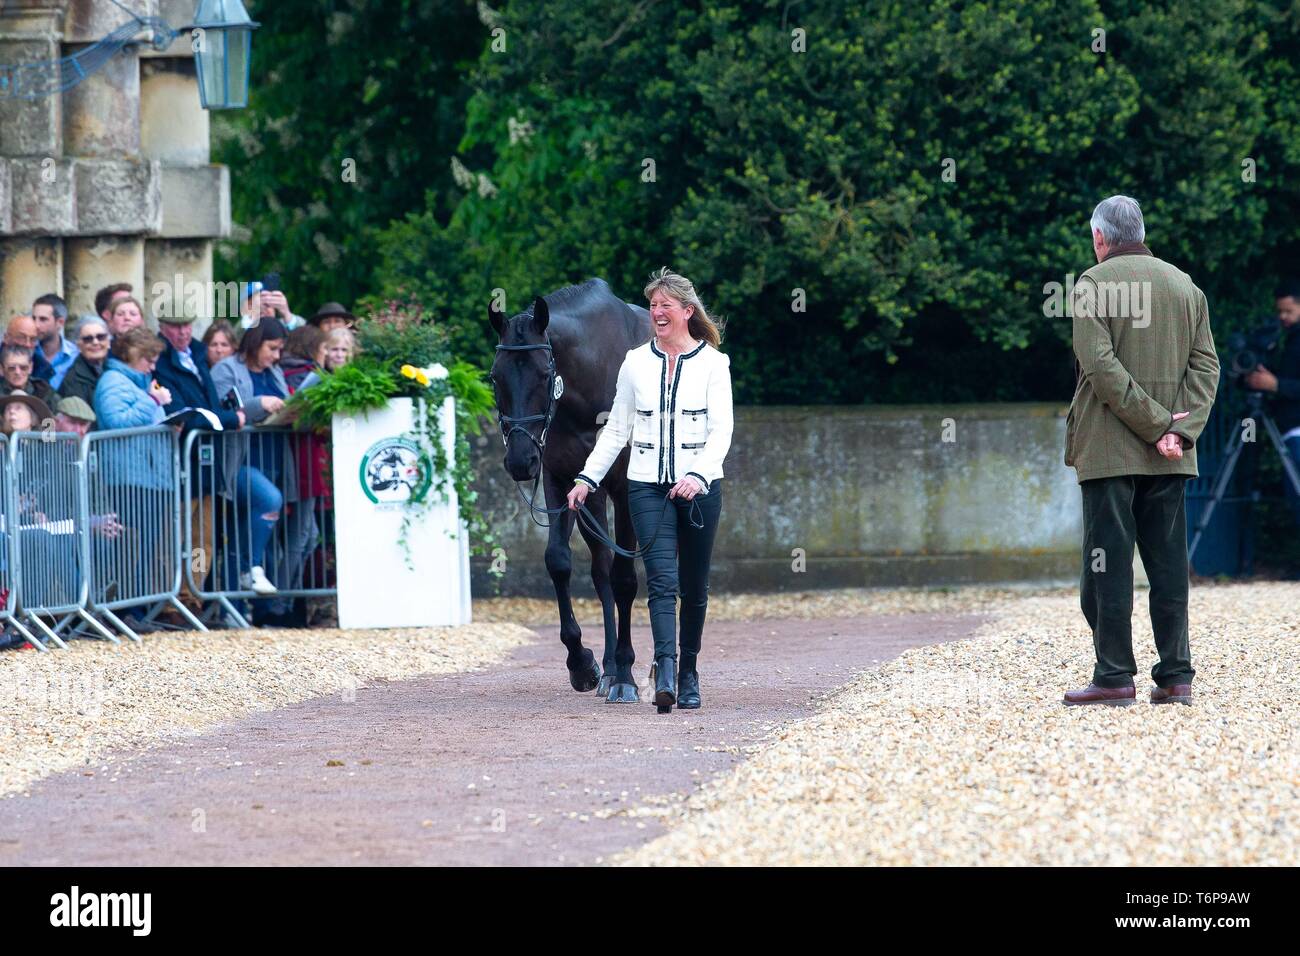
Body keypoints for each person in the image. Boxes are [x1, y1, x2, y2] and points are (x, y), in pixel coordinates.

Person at [1063, 196, 1220, 707]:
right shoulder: (1186, 287)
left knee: (1105, 566)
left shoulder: (1092, 284)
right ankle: (1176, 677)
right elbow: (1206, 369)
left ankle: (1113, 677)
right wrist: (1179, 430)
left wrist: (1154, 425)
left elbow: (1099, 366)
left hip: (1110, 448)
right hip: (1171, 455)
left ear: (1100, 238)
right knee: (1169, 565)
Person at [566, 267, 734, 713]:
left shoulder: (715, 364)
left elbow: (722, 431)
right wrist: (587, 478)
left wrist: (698, 476)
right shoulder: (635, 361)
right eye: (653, 305)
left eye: (665, 305)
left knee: (694, 587)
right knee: (661, 583)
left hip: (699, 490)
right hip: (647, 487)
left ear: (686, 310)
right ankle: (664, 671)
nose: (656, 312)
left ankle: (689, 672)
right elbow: (617, 428)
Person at [92, 328, 178, 612]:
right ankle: (126, 608)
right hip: (128, 476)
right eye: (149, 360)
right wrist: (152, 401)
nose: (153, 366)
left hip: (149, 475)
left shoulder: (137, 381)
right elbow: (116, 422)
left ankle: (138, 607)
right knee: (132, 543)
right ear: (133, 355)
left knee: (147, 544)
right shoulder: (113, 380)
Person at [211, 317, 296, 599]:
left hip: (271, 457)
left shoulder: (274, 372)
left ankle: (233, 608)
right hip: (238, 459)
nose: (276, 355)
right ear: (256, 342)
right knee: (269, 500)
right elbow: (222, 410)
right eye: (272, 348)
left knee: (240, 532)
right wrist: (257, 405)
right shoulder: (226, 369)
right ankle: (252, 568)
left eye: (280, 349)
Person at [1244, 280, 1300, 530]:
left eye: (1288, 311)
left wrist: (1275, 385)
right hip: (1289, 431)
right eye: (1280, 311)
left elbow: (1286, 384)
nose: (1283, 317)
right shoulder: (1286, 340)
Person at [58, 317, 111, 409]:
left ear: (109, 342)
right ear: (78, 346)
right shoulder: (72, 381)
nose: (95, 342)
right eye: (88, 339)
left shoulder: (118, 367)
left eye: (101, 337)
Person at [32, 293, 78, 389]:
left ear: (60, 322)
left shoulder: (75, 356)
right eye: (34, 318)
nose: (36, 325)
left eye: (43, 319)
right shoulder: (28, 351)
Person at [3, 315, 56, 384]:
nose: (27, 344)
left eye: (33, 339)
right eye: (21, 337)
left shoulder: (42, 368)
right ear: (6, 338)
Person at [281, 325, 327, 392]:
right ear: (313, 349)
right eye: (324, 348)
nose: (326, 353)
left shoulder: (277, 367)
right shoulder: (309, 377)